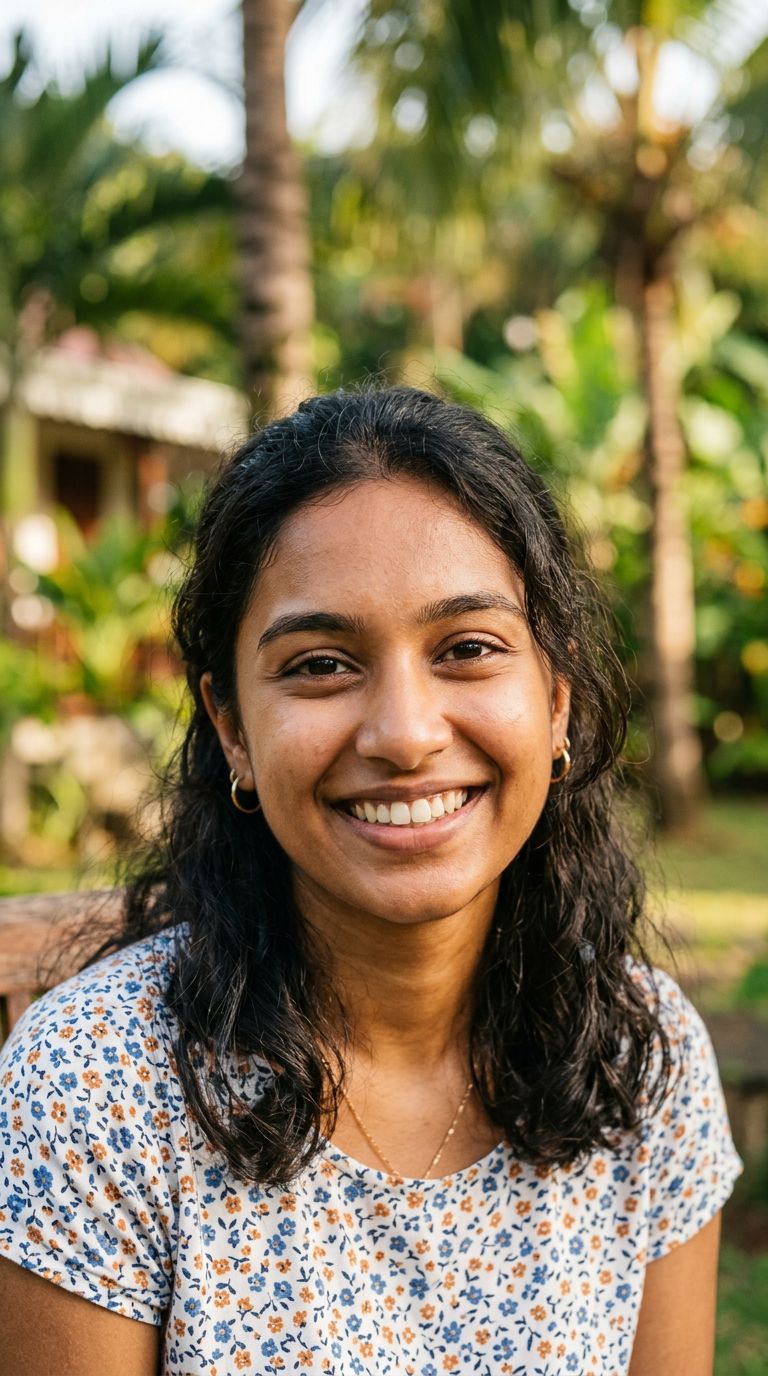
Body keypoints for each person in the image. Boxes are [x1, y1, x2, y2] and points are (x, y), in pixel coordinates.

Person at [0, 387, 741, 1376]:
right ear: (232, 727)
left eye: (468, 648)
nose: (404, 733)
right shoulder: (99, 1089)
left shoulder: (636, 1060)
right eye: (320, 663)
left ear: (556, 697)